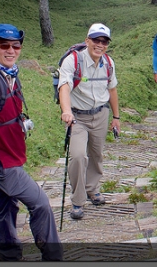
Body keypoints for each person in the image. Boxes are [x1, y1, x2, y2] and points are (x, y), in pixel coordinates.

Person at [0, 24, 63, 261]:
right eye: (4, 46)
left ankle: (7, 256)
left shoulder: (9, 73)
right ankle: (54, 257)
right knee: (41, 205)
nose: (11, 50)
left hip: (11, 154)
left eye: (16, 45)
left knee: (5, 206)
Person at [57, 23, 121, 220]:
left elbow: (112, 90)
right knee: (77, 156)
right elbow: (64, 87)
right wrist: (66, 111)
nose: (99, 44)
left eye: (104, 41)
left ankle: (93, 189)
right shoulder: (73, 61)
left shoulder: (109, 63)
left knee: (96, 154)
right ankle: (77, 200)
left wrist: (116, 118)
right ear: (87, 41)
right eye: (96, 40)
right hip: (77, 117)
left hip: (101, 114)